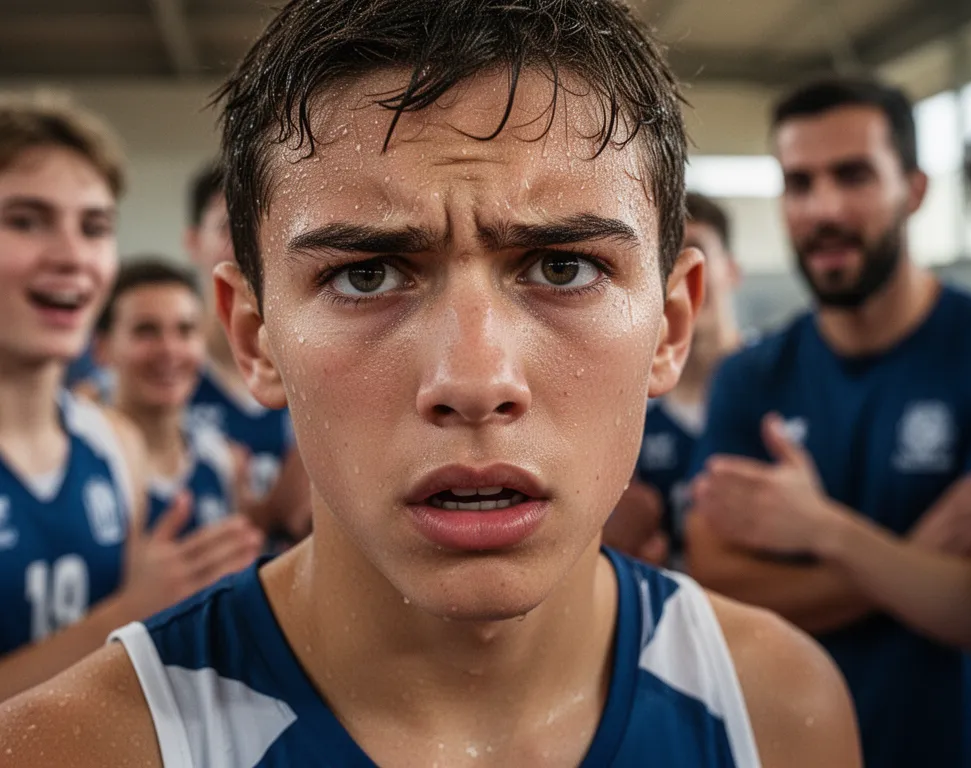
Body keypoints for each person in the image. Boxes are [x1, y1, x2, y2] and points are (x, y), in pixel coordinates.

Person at [0, 2, 862, 766]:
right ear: (254, 338)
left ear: (671, 326)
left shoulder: (777, 705)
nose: (476, 380)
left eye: (563, 266)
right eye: (367, 275)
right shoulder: (79, 747)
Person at [684, 78, 971, 768]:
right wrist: (911, 555)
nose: (824, 208)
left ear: (915, 190)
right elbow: (713, 576)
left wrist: (819, 533)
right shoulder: (754, 377)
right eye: (799, 183)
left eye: (854, 175)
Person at [0, 93, 263, 703]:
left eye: (93, 227)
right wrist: (129, 614)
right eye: (25, 220)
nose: (71, 256)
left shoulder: (115, 442)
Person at [185, 163, 311, 542]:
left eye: (261, 225)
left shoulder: (319, 363)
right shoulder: (157, 372)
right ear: (193, 243)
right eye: (229, 227)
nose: (247, 244)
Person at [92, 258, 246, 535]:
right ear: (103, 348)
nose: (169, 351)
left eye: (185, 331)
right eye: (146, 331)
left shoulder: (219, 458)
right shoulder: (86, 460)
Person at [631, 192, 742, 568]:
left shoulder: (781, 384)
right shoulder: (633, 409)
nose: (681, 279)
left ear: (731, 271)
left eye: (695, 252)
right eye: (668, 257)